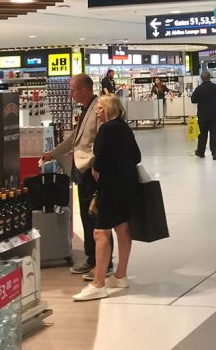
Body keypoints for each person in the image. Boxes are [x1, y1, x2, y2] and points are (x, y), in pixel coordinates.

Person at [73, 95, 142, 301]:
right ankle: (120, 275)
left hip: (110, 187)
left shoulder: (107, 129)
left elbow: (98, 164)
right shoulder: (124, 127)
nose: (97, 111)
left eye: (101, 108)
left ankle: (98, 282)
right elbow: (137, 156)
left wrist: (99, 174)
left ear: (110, 109)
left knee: (100, 232)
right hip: (127, 185)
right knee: (122, 228)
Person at [44, 74, 112, 279]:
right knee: (86, 215)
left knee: (98, 217)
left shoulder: (99, 107)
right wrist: (52, 153)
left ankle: (104, 263)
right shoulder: (86, 109)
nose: (70, 94)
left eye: (73, 89)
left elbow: (103, 140)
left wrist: (98, 166)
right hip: (81, 171)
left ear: (84, 89)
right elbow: (75, 138)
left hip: (92, 171)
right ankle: (92, 258)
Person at [191, 71, 216, 160]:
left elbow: (193, 100)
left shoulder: (199, 89)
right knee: (214, 134)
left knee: (202, 134)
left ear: (201, 78)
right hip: (214, 115)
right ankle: (215, 154)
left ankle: (201, 152)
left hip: (203, 115)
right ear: (210, 77)